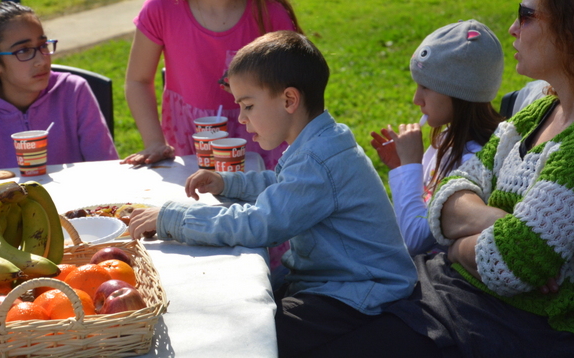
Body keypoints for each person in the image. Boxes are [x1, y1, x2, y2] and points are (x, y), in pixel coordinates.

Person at [303, 0, 574, 357]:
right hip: (462, 300)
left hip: (530, 329)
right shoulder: (542, 112)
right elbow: (452, 188)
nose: (514, 28)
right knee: (308, 313)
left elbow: (513, 264)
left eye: (527, 15)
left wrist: (453, 245)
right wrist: (498, 225)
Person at [129, 31, 417, 358]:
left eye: (248, 105)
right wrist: (229, 184)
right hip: (336, 284)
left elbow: (261, 225)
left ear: (289, 100)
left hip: (361, 294)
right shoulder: (320, 142)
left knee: (256, 336)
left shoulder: (317, 161)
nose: (241, 118)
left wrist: (174, 219)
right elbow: (281, 184)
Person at [122, 0, 301, 172]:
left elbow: (296, 92)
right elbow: (138, 81)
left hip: (261, 151)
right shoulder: (161, 9)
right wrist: (154, 141)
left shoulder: (271, 16)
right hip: (188, 149)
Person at [370, 20, 503, 256]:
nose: (416, 99)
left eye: (425, 87)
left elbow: (415, 239)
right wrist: (401, 167)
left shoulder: (475, 159)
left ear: (460, 91)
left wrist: (411, 165)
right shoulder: (444, 140)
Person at [0, 1, 118, 173]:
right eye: (23, 51)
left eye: (42, 45)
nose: (41, 61)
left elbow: (106, 169)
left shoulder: (73, 91)